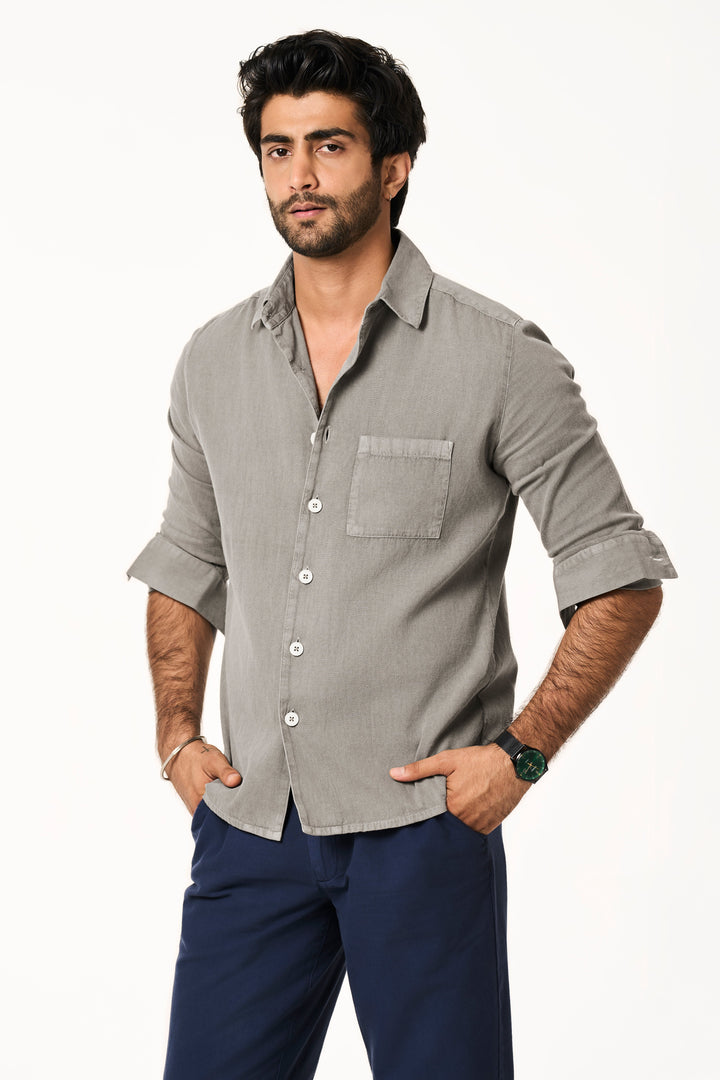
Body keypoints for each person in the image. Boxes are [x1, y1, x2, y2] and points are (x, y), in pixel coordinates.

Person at [127, 28, 677, 1080]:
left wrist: (519, 758)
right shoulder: (212, 360)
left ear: (393, 168)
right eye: (278, 149)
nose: (300, 175)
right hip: (251, 825)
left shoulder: (499, 358)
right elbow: (186, 564)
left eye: (329, 146)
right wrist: (175, 737)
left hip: (422, 830)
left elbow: (619, 574)